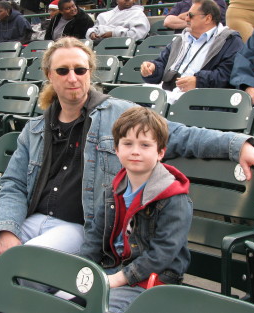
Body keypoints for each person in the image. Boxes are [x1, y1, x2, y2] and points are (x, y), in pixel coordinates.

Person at [0, 37, 254, 271]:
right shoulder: (34, 128)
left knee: (21, 267)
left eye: (80, 69)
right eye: (63, 70)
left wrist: (237, 145)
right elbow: (13, 185)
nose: (72, 77)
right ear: (50, 75)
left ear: (90, 72)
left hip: (79, 229)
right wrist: (6, 230)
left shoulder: (118, 113)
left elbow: (178, 135)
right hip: (30, 219)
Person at [80, 106, 192, 313]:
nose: (135, 151)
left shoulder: (174, 198)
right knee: (64, 299)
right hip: (114, 266)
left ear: (160, 152)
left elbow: (163, 253)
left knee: (100, 308)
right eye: (127, 143)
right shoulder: (114, 189)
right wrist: (82, 268)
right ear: (116, 149)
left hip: (153, 278)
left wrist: (119, 278)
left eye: (145, 145)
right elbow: (96, 235)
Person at [141, 0, 243, 97]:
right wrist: (153, 68)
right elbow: (162, 63)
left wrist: (198, 81)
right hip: (166, 93)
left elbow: (227, 74)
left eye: (190, 15)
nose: (186, 19)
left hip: (198, 99)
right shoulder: (180, 40)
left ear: (208, 18)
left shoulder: (230, 40)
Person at [85, 0, 150, 42]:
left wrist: (114, 34)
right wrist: (92, 33)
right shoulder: (104, 15)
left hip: (123, 44)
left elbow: (137, 34)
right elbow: (95, 28)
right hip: (99, 42)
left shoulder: (138, 14)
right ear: (117, 1)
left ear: (133, 0)